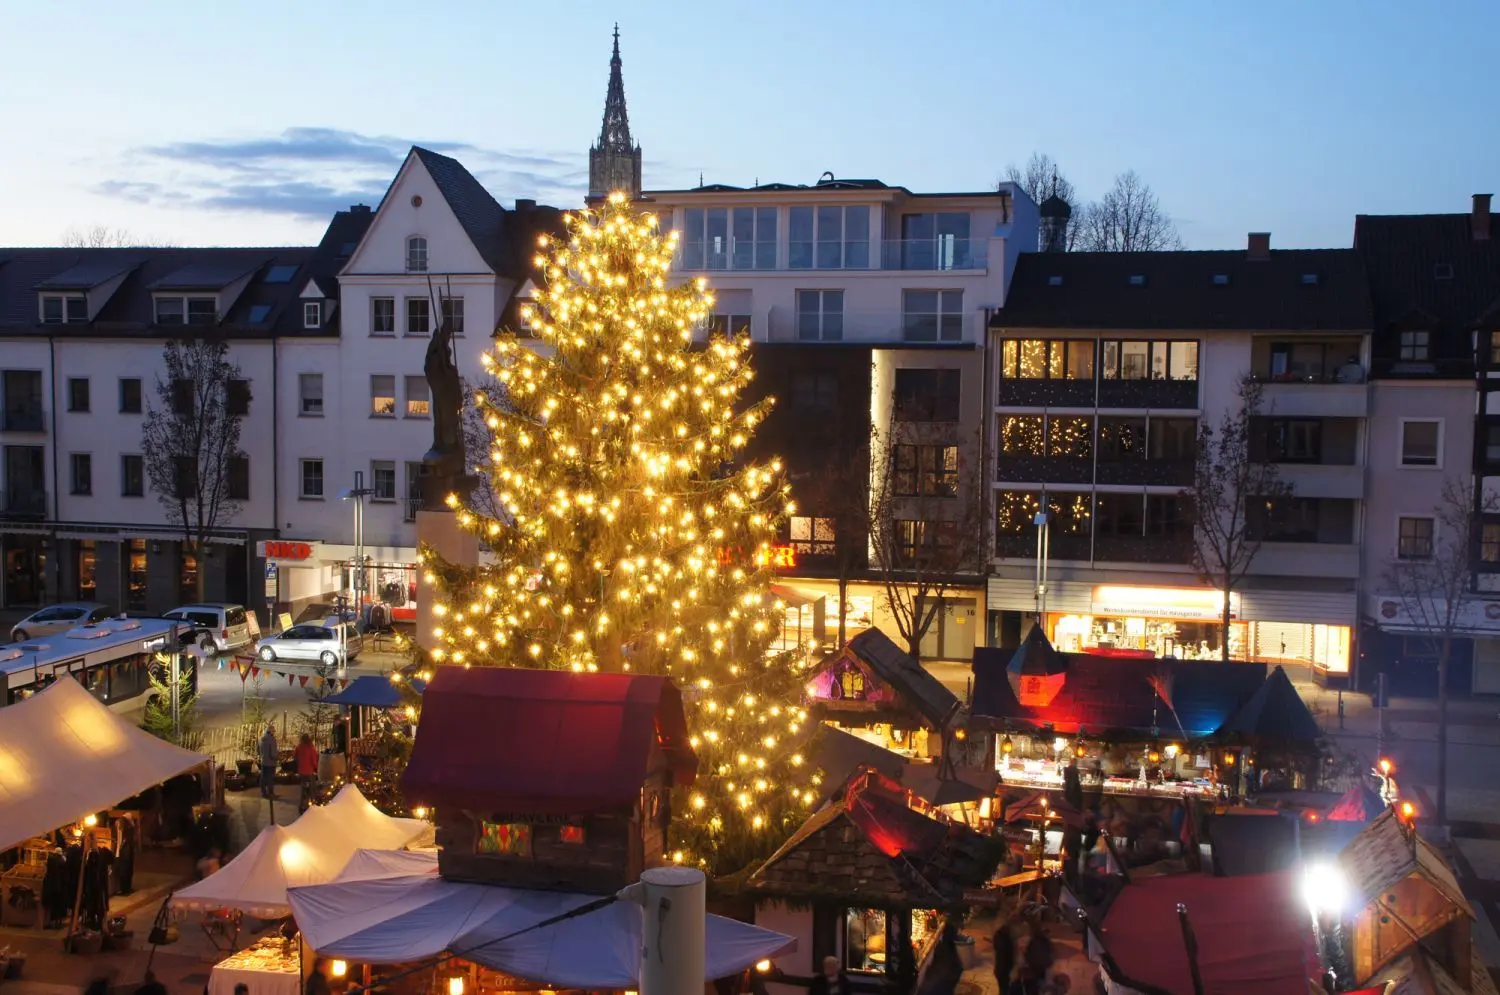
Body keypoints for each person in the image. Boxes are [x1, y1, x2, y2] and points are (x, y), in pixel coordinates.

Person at [295, 733, 320, 813]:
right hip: (309, 772)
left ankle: (302, 805)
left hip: (302, 772)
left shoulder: (299, 747)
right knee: (311, 789)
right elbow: (314, 760)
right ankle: (312, 805)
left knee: (303, 789)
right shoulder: (311, 748)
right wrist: (316, 768)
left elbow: (295, 757)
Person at [992, 920, 1016, 992]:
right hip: (1005, 970)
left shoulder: (998, 936)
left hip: (1002, 969)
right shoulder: (1006, 938)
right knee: (1005, 988)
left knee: (1003, 988)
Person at [259, 724, 278, 799]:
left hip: (264, 761)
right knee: (270, 778)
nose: (274, 732)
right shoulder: (272, 739)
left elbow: (259, 750)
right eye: (273, 731)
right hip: (271, 762)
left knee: (263, 777)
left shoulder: (262, 738)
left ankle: (263, 793)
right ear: (271, 731)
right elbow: (273, 754)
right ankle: (271, 793)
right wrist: (277, 757)